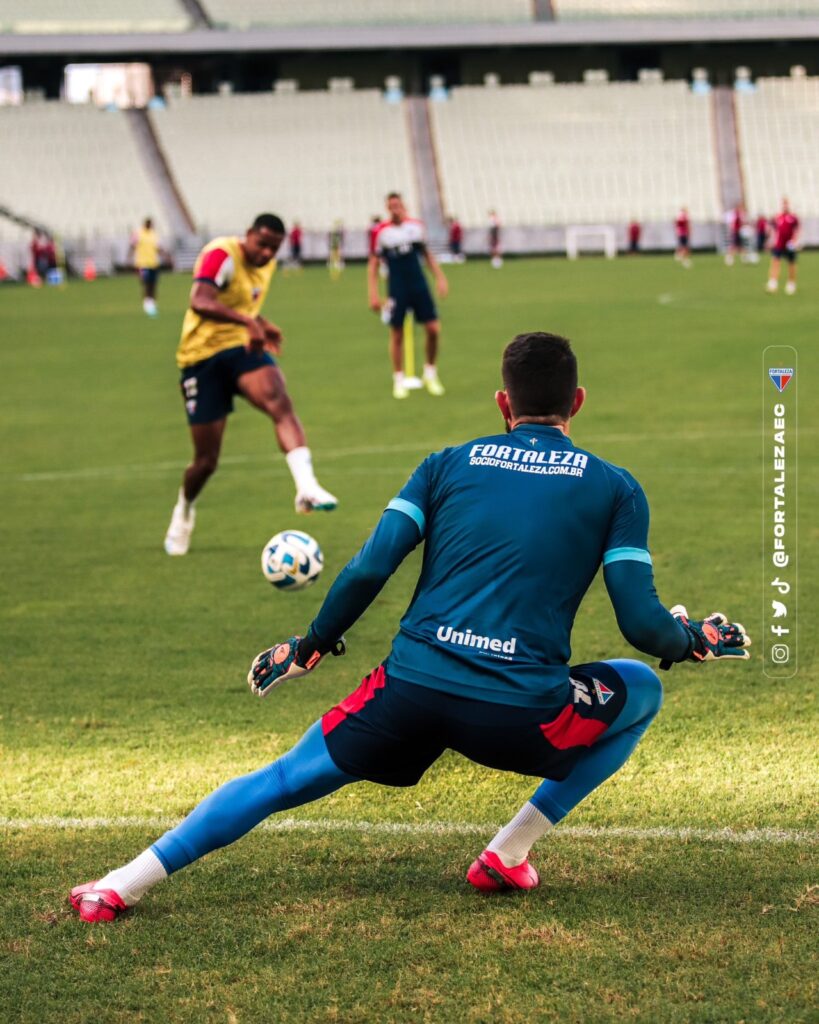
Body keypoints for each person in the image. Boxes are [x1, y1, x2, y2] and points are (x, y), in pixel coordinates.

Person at [70, 332, 750, 920]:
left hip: (408, 693)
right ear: (576, 403)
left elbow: (369, 568)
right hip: (519, 714)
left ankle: (117, 886)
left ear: (502, 404)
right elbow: (641, 624)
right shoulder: (614, 485)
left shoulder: (445, 463)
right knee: (640, 689)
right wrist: (691, 640)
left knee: (281, 779)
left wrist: (308, 647)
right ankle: (506, 853)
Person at [162, 213, 337, 557]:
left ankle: (306, 486)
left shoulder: (266, 265)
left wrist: (261, 322)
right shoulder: (221, 254)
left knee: (279, 401)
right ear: (248, 236)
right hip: (200, 359)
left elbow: (242, 303)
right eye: (262, 245)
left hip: (241, 349)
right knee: (206, 461)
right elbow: (200, 300)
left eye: (274, 249)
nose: (267, 254)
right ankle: (184, 509)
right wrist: (248, 320)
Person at [368, 191, 448, 400]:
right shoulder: (382, 232)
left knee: (433, 329)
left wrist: (440, 277)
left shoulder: (416, 227)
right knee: (397, 333)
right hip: (397, 287)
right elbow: (374, 263)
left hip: (418, 285)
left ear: (404, 206)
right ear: (387, 208)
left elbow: (427, 255)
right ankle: (399, 379)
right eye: (391, 206)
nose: (395, 209)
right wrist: (374, 294)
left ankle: (430, 373)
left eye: (398, 205)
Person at [131, 217, 167, 316]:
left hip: (153, 263)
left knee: (153, 284)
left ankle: (152, 303)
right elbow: (132, 246)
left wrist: (166, 256)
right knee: (146, 284)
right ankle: (147, 304)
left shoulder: (154, 234)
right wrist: (129, 259)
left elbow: (158, 248)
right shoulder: (138, 233)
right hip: (142, 264)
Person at [766, 198, 799, 295]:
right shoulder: (778, 217)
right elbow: (773, 230)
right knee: (775, 261)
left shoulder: (793, 217)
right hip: (779, 243)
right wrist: (770, 240)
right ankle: (773, 283)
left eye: (786, 204)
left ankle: (791, 283)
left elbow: (797, 230)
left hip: (790, 244)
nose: (785, 206)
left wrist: (795, 241)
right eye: (783, 204)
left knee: (791, 263)